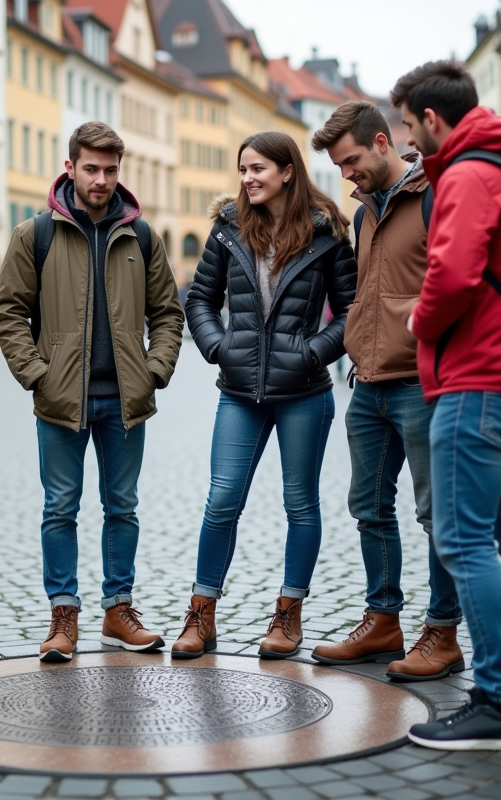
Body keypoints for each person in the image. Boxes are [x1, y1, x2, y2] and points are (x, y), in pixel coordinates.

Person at [393, 60, 501, 751]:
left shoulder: (465, 175)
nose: (406, 142)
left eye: (407, 127)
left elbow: (454, 275)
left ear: (433, 120)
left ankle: (498, 703)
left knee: (464, 540)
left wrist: (419, 323)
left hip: (478, 382)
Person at [0, 121, 184, 663]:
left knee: (122, 507)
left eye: (110, 170)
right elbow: (7, 311)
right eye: (92, 168)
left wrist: (154, 371)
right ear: (70, 166)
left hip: (125, 400)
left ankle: (118, 610)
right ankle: (63, 616)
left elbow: (168, 314)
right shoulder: (37, 234)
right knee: (60, 508)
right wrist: (37, 374)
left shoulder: (141, 236)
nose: (101, 180)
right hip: (60, 400)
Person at [173, 131, 356, 661]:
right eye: (243, 170)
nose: (248, 179)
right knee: (222, 499)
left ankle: (287, 615)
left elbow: (350, 310)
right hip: (239, 391)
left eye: (258, 169)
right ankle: (201, 614)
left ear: (287, 172)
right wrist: (216, 346)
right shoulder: (229, 228)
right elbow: (200, 298)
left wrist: (313, 352)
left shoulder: (327, 234)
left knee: (300, 504)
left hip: (304, 392)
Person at [306, 101, 463, 681]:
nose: (345, 174)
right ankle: (383, 621)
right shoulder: (365, 211)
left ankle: (442, 634)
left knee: (435, 515)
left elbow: (454, 287)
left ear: (380, 141)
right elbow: (366, 295)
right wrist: (357, 352)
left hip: (423, 385)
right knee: (368, 508)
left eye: (350, 162)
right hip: (368, 384)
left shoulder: (433, 196)